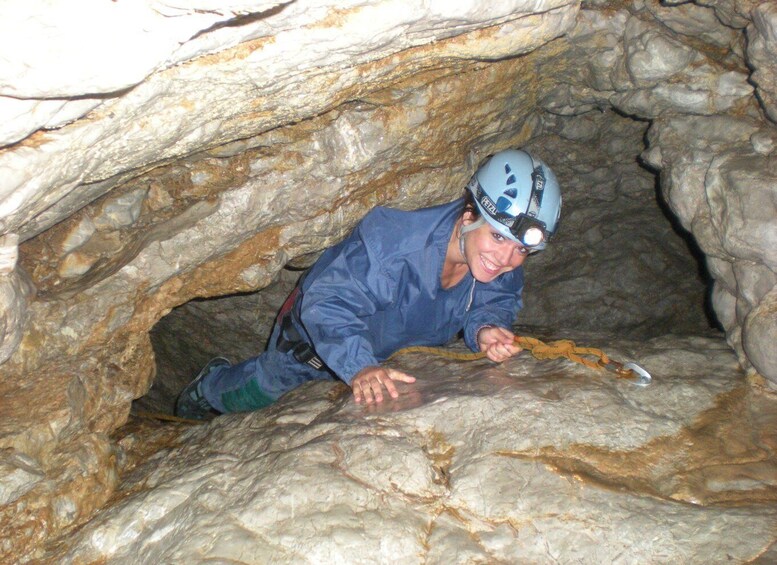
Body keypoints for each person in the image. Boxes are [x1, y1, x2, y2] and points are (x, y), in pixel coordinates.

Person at [175, 148, 562, 420]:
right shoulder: (395, 247)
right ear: (468, 215)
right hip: (310, 343)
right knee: (259, 391)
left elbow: (497, 293)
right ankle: (207, 388)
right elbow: (327, 303)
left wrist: (487, 327)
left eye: (521, 250)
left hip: (383, 349)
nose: (507, 259)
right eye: (497, 237)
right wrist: (360, 366)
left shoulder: (497, 259)